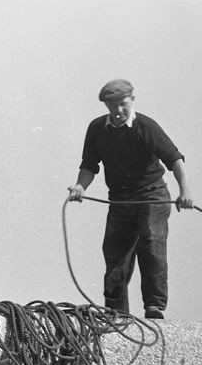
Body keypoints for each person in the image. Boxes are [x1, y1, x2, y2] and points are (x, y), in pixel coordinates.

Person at [67, 78, 193, 320]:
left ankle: (154, 306)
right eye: (111, 106)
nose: (118, 111)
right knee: (115, 254)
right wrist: (80, 187)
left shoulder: (146, 127)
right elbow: (89, 165)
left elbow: (175, 160)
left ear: (132, 101)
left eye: (122, 104)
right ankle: (116, 313)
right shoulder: (96, 130)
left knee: (151, 241)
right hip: (120, 199)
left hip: (151, 194)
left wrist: (185, 191)